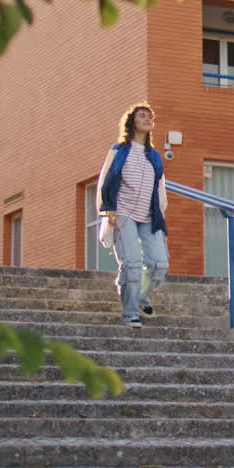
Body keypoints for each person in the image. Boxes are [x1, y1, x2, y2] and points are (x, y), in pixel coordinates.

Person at [96, 102, 169, 328]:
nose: (147, 119)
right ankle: (130, 314)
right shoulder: (119, 150)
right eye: (142, 116)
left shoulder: (154, 156)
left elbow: (160, 187)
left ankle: (140, 296)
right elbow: (106, 179)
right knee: (132, 264)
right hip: (123, 213)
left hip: (149, 215)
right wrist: (108, 208)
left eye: (150, 116)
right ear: (132, 122)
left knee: (159, 264)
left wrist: (161, 214)